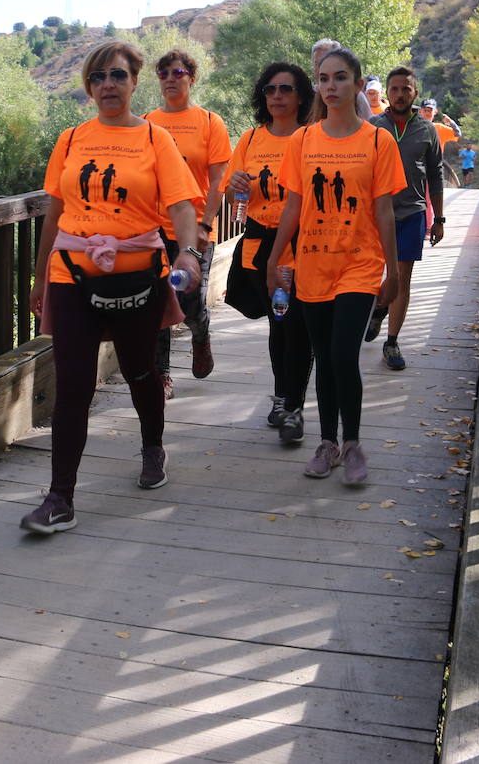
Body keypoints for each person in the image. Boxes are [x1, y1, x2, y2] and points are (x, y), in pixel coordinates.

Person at [22, 41, 203, 534]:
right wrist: (40, 278)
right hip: (72, 274)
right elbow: (55, 214)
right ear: (88, 86)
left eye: (118, 76)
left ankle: (152, 444)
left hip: (137, 273)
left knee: (140, 370)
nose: (108, 85)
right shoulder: (71, 139)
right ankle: (60, 498)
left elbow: (183, 204)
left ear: (133, 82)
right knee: (73, 386)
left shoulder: (154, 140)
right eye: (98, 77)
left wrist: (188, 250)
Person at [266, 46, 405, 484]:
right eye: (324, 79)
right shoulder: (303, 141)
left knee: (344, 354)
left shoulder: (378, 140)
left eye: (340, 78)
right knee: (324, 358)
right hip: (313, 263)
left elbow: (383, 210)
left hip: (360, 264)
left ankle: (353, 443)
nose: (331, 86)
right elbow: (293, 205)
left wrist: (394, 271)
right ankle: (327, 444)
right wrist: (274, 259)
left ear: (359, 85)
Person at [222, 62, 315, 444]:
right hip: (260, 248)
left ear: (300, 96)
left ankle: (291, 405)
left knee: (299, 326)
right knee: (281, 325)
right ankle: (284, 399)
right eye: (270, 89)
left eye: (286, 89)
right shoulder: (249, 140)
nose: (277, 96)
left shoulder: (313, 139)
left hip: (304, 247)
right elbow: (230, 197)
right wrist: (235, 185)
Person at [145, 50, 232, 397]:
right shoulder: (147, 123)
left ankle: (200, 332)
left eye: (177, 72)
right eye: (163, 73)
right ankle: (162, 374)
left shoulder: (210, 122)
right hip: (153, 228)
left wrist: (206, 225)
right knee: (157, 302)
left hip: (193, 229)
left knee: (190, 299)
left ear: (191, 78)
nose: (170, 78)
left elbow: (218, 181)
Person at [365, 66, 444, 371]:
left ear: (415, 92)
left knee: (402, 278)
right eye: (394, 89)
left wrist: (439, 219)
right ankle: (377, 306)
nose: (399, 95)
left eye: (406, 89)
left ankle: (392, 342)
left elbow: (436, 174)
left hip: (411, 212)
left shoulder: (427, 130)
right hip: (374, 214)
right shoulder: (373, 127)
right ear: (387, 93)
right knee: (372, 275)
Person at [308, 38, 373, 122]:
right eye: (317, 63)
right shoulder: (307, 94)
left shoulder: (356, 97)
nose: (323, 66)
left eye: (340, 78)